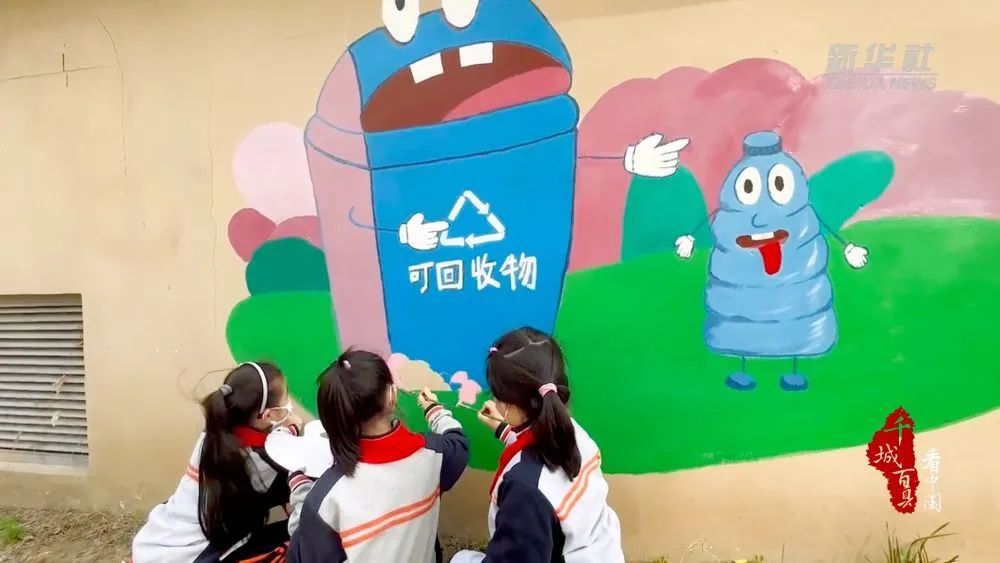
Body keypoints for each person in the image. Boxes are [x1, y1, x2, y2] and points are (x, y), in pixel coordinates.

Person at [451, 327, 625, 563]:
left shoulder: (524, 491)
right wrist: (504, 430)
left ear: (510, 405)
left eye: (496, 395)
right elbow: (542, 461)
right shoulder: (569, 430)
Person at [285, 348, 469, 563]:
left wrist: (301, 490)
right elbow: (458, 442)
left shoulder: (325, 499)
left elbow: (306, 553)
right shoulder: (434, 455)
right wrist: (434, 410)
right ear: (392, 395)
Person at [131, 362, 303, 563]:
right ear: (268, 416)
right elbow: (277, 452)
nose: (288, 404)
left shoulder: (212, 437)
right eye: (285, 399)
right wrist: (294, 429)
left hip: (153, 543)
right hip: (188, 556)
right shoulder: (260, 461)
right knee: (299, 541)